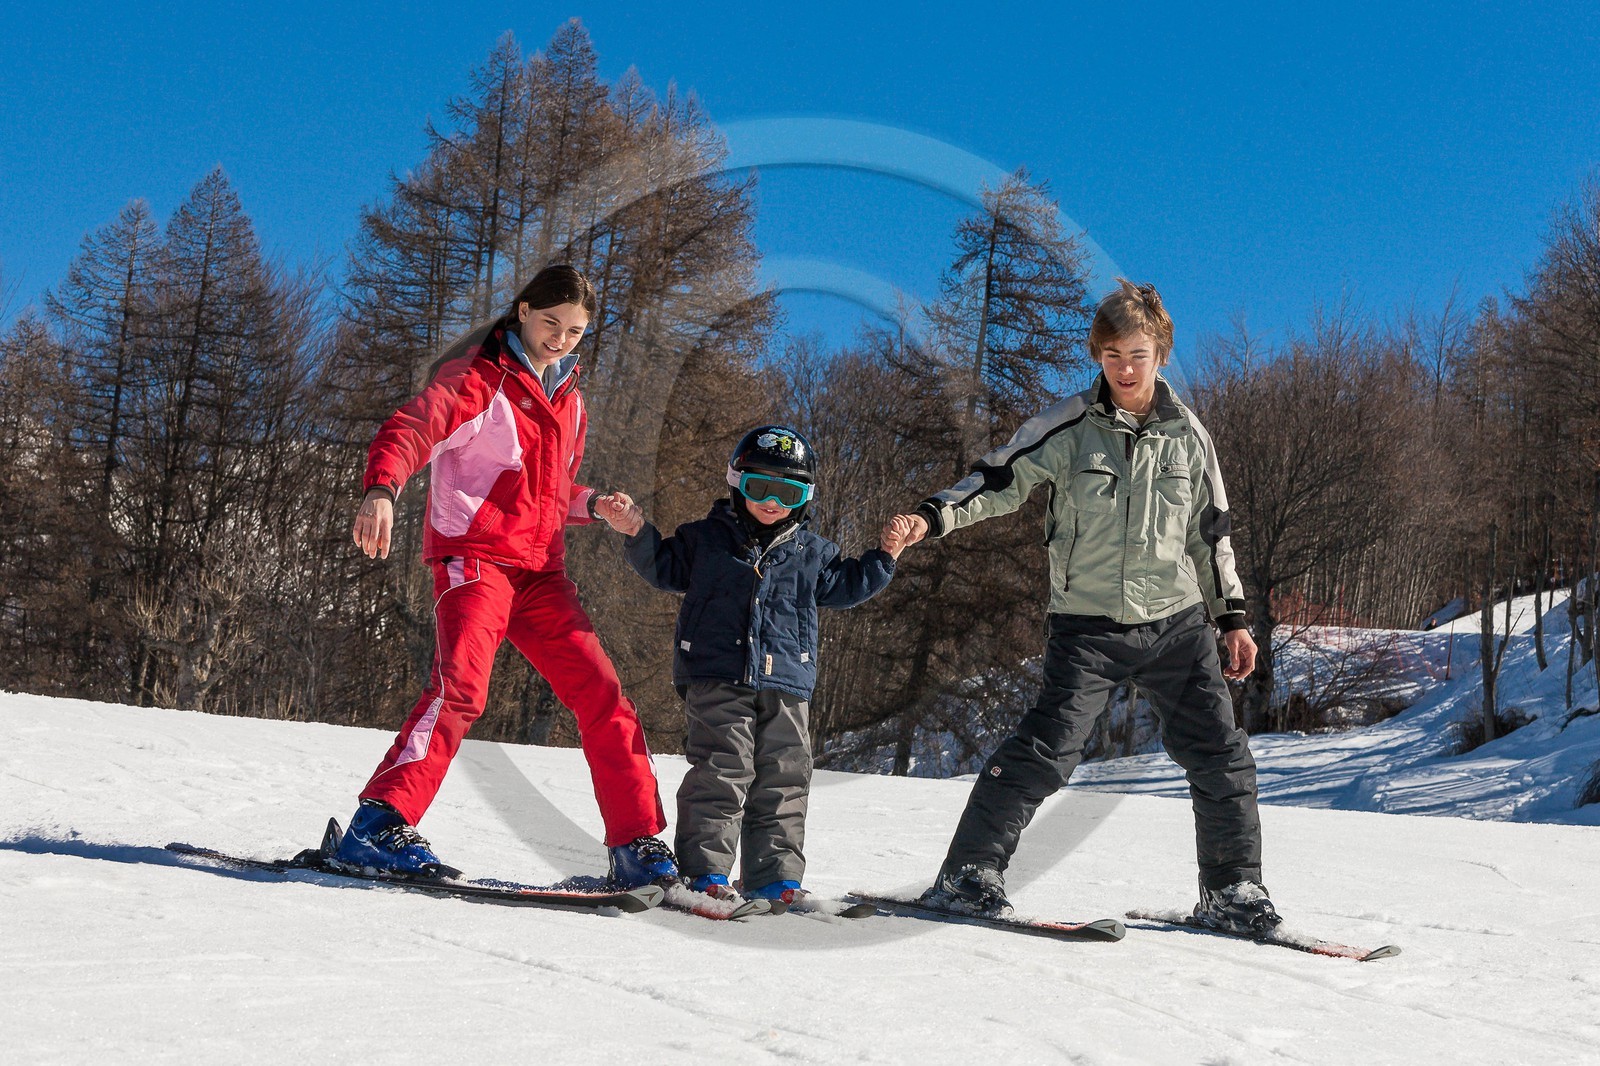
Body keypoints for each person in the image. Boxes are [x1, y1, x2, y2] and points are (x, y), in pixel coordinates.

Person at [895, 279, 1280, 935]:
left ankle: (1234, 890)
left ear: (1160, 354)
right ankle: (969, 875)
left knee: (1220, 753)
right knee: (1047, 749)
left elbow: (1209, 534)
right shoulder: (1068, 426)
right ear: (1097, 357)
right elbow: (998, 478)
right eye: (1111, 356)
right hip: (1089, 626)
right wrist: (932, 518)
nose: (1125, 370)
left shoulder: (1188, 436)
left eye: (1137, 354)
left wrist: (1232, 618)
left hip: (1177, 624)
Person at [337, 264, 677, 889]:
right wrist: (382, 488)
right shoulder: (477, 378)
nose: (561, 339)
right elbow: (412, 428)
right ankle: (378, 824)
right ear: (522, 311)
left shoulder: (569, 398)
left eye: (575, 331)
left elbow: (548, 492)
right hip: (476, 559)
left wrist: (595, 504)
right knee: (461, 688)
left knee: (603, 696)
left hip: (540, 573)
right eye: (551, 323)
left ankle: (637, 844)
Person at [596, 425, 913, 904]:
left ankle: (775, 879)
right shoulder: (705, 540)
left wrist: (886, 556)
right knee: (722, 771)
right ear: (736, 483)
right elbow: (664, 566)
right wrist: (636, 532)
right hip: (717, 675)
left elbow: (847, 586)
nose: (771, 501)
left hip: (787, 680)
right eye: (758, 487)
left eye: (787, 491)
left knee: (785, 777)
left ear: (805, 497)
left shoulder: (814, 553)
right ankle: (706, 874)